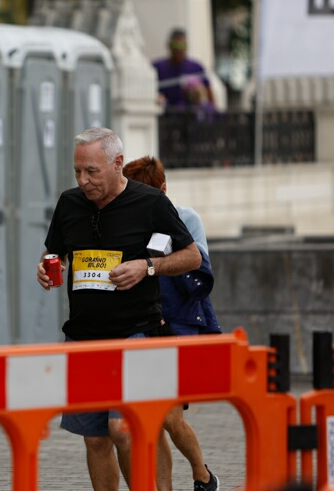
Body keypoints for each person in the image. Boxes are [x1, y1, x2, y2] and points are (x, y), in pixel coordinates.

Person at [36, 127, 206, 491]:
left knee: (122, 428)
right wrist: (48, 266)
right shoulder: (69, 203)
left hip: (135, 333)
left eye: (92, 171)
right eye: (77, 171)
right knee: (96, 439)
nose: (83, 180)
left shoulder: (151, 202)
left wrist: (148, 267)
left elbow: (192, 256)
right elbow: (55, 252)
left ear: (117, 164)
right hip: (83, 337)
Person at [122, 156, 220, 491]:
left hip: (180, 324)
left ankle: (203, 475)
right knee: (152, 420)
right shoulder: (126, 220)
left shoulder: (186, 218)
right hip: (144, 324)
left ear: (163, 190)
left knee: (170, 417)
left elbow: (199, 272)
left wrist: (161, 252)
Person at [153, 28, 215, 109]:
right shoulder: (157, 67)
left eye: (182, 45)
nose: (179, 49)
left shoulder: (196, 68)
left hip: (191, 114)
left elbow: (210, 96)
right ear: (169, 45)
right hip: (167, 114)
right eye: (175, 45)